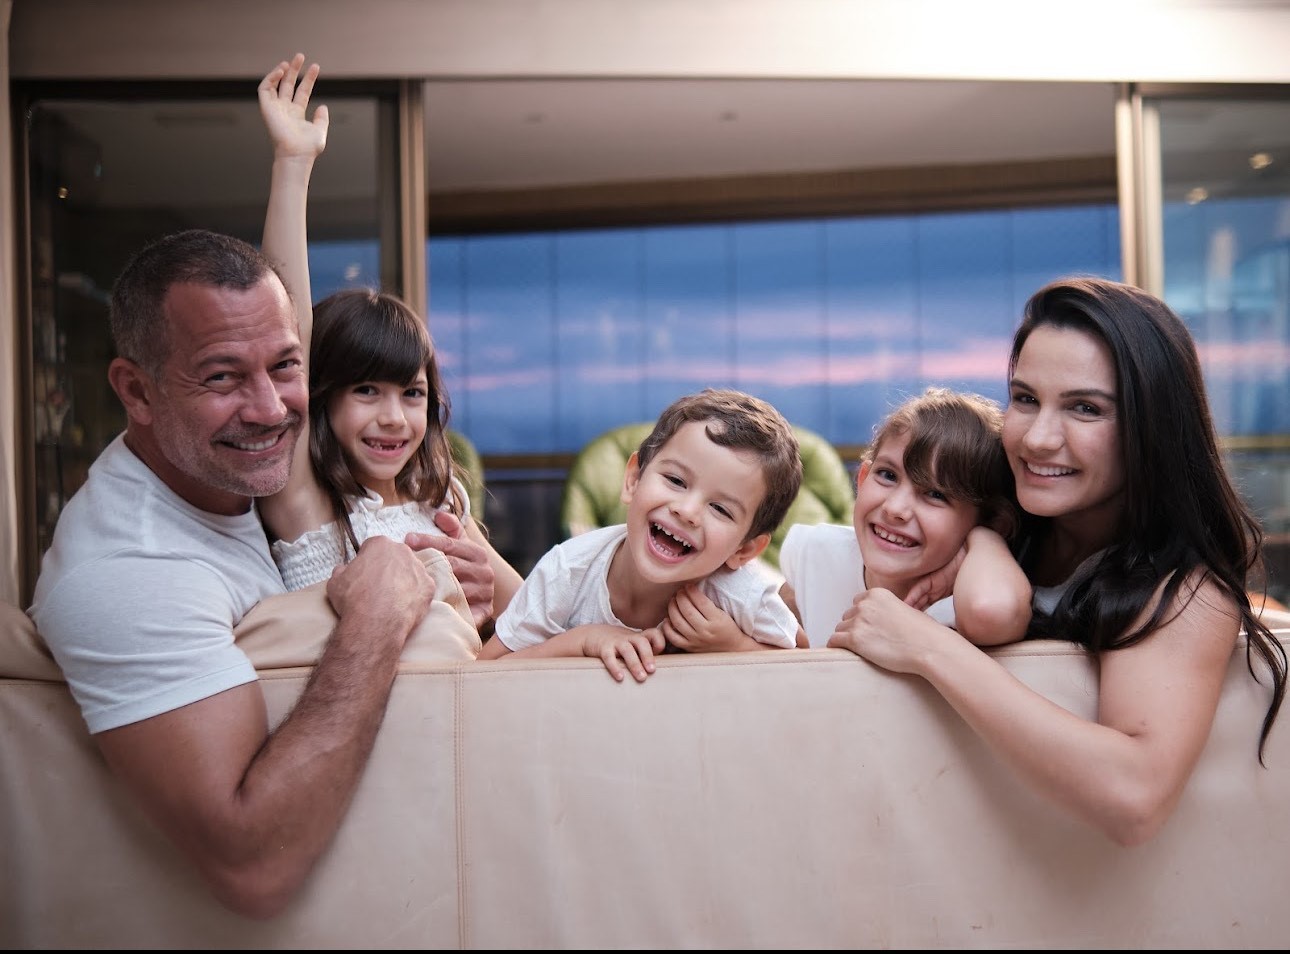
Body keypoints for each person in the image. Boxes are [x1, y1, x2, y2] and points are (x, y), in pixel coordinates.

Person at [826, 276, 1288, 846]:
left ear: (1153, 430)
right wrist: (982, 541)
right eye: (1025, 398)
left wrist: (925, 647)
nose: (1038, 439)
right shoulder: (984, 530)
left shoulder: (1185, 590)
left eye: (1086, 409)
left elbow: (1135, 798)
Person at [256, 53, 520, 623]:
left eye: (412, 392)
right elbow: (288, 339)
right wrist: (293, 164)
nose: (396, 418)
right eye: (367, 391)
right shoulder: (309, 500)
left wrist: (486, 598)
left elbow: (529, 612)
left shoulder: (442, 498)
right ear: (320, 394)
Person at [478, 388, 806, 682]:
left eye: (720, 509)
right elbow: (483, 674)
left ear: (746, 550)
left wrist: (734, 645)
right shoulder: (568, 572)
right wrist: (580, 642)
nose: (687, 511)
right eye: (676, 481)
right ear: (633, 479)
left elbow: (812, 666)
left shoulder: (740, 597)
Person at [779, 386, 1031, 648]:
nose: (895, 509)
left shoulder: (965, 602)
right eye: (888, 475)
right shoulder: (817, 554)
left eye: (935, 494)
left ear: (991, 522)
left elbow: (990, 611)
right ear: (863, 479)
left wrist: (984, 538)